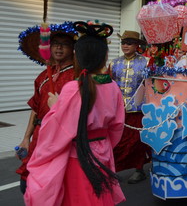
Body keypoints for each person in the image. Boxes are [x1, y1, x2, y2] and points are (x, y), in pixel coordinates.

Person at [25, 21, 125, 205]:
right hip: (102, 152)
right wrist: (102, 143)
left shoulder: (73, 87)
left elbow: (59, 130)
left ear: (77, 56)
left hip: (77, 157)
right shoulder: (112, 86)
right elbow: (117, 127)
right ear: (104, 57)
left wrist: (55, 106)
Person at [16, 24, 78, 194]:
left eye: (64, 43)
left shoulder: (77, 76)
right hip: (39, 134)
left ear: (73, 48)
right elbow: (35, 108)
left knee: (54, 186)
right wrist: (26, 139)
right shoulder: (43, 76)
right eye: (55, 43)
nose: (58, 47)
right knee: (27, 184)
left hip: (60, 137)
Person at [110, 30, 150, 183]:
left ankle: (139, 170)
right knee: (116, 141)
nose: (125, 45)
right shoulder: (114, 63)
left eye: (129, 43)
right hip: (118, 109)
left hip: (139, 110)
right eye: (123, 43)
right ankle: (113, 170)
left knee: (137, 142)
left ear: (136, 45)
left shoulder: (146, 62)